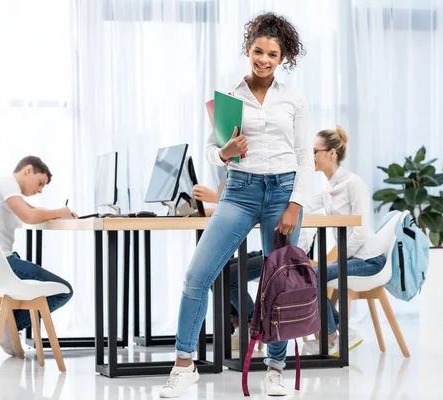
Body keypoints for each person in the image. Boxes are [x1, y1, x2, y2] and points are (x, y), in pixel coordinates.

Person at [159, 12, 313, 398]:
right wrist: (225, 153)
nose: (263, 59)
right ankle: (183, 364)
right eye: (258, 51)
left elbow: (304, 157)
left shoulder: (293, 98)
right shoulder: (229, 96)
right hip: (240, 192)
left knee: (279, 282)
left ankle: (275, 368)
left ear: (283, 58)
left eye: (272, 54)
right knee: (198, 275)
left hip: (282, 191)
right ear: (249, 50)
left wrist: (295, 203)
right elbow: (212, 151)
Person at [0, 155, 77, 356]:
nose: (40, 190)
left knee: (51, 286)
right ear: (28, 170)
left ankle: (3, 324)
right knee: (64, 290)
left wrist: (57, 213)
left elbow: (32, 210)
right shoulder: (6, 184)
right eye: (40, 183)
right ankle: (4, 324)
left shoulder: (7, 190)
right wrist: (60, 210)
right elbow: (29, 216)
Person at [300, 126, 386, 356]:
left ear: (332, 153)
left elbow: (360, 229)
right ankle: (341, 332)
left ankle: (332, 335)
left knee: (315, 275)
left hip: (369, 259)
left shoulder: (353, 184)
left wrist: (336, 258)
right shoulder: (329, 186)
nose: (312, 157)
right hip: (352, 256)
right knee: (309, 274)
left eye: (315, 151)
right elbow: (305, 206)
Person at [192, 182, 264, 352]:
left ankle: (253, 324)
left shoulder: (295, 187)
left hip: (286, 255)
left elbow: (260, 210)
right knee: (217, 269)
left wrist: (219, 199)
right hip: (267, 250)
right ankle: (241, 323)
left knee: (226, 276)